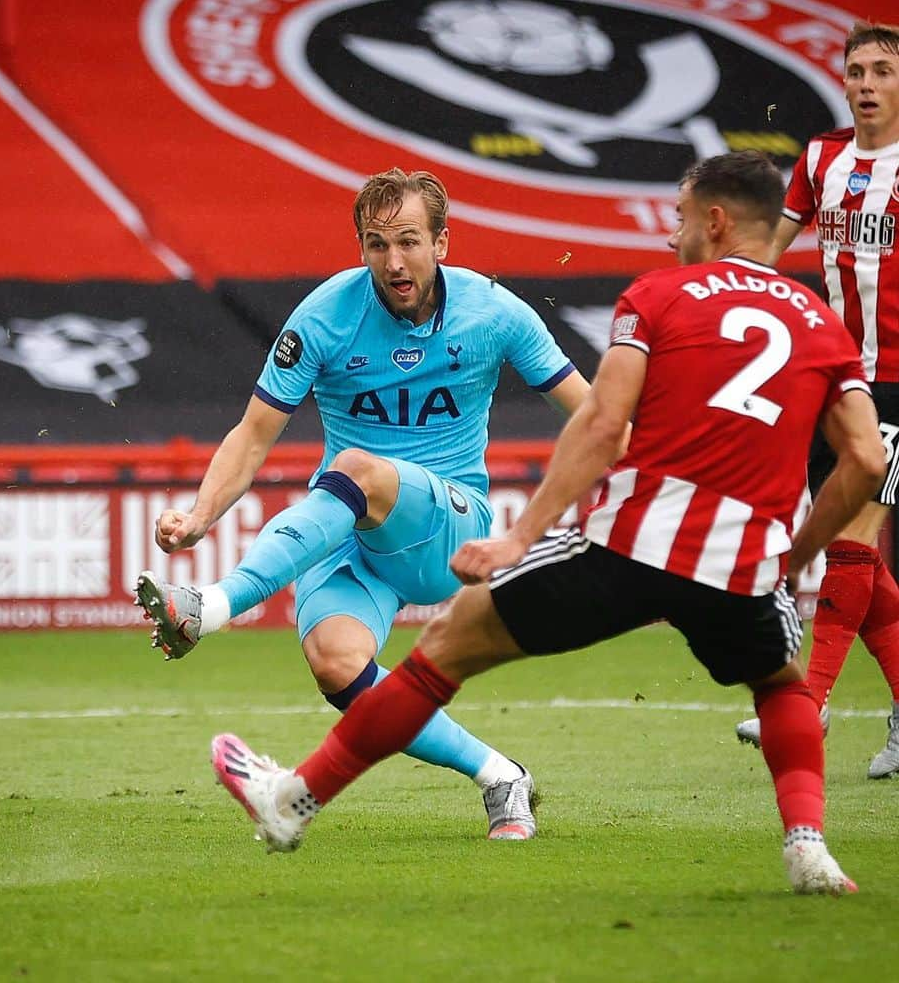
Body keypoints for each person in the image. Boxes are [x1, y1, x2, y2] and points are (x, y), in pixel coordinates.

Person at [210, 151, 885, 895]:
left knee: (444, 652)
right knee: (781, 686)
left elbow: (600, 425)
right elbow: (861, 456)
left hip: (629, 540)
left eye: (682, 218)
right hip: (742, 558)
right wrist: (800, 555)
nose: (672, 236)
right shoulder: (821, 320)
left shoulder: (659, 297)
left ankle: (292, 799)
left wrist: (521, 537)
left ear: (716, 222)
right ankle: (807, 847)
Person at [136, 167, 591, 839]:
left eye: (409, 241)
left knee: (354, 467)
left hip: (447, 527)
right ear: (361, 249)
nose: (394, 261)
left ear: (443, 241)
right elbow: (254, 434)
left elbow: (590, 413)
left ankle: (215, 605)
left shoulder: (494, 311)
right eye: (377, 245)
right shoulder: (324, 317)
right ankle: (500, 776)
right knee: (336, 663)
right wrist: (200, 516)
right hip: (349, 527)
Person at [735, 22, 899, 778]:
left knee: (857, 533)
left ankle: (807, 700)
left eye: (882, 71)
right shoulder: (823, 159)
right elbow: (770, 254)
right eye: (856, 70)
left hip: (897, 381)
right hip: (838, 378)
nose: (865, 83)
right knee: (860, 562)